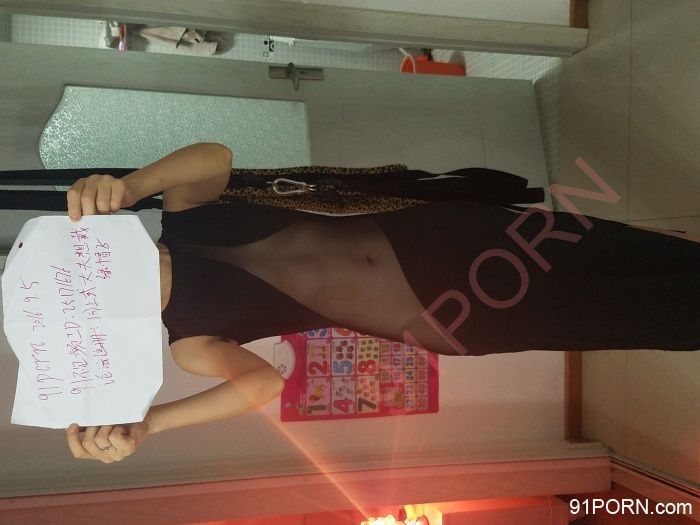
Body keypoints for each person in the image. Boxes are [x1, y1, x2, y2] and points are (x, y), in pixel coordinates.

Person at [63, 143, 700, 464]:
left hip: (451, 236)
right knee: (632, 313)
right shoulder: (191, 341)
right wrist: (149, 426)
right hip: (457, 311)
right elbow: (263, 386)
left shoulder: (184, 213)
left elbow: (215, 157)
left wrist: (131, 185)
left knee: (629, 253)